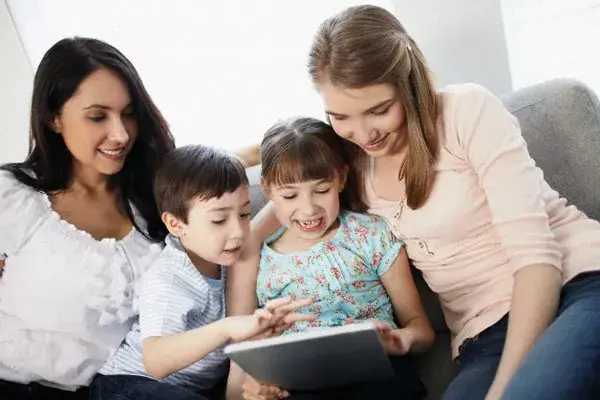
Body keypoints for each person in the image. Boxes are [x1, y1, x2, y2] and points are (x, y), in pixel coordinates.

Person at [229, 5, 600, 400]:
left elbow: (536, 259)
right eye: (340, 117)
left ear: (409, 83)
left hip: (572, 284)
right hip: (484, 332)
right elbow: (279, 203)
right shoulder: (351, 160)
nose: (363, 133)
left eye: (379, 110)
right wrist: (241, 160)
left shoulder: (466, 112)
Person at [0, 37, 260, 400]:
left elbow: (209, 180)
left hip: (115, 389)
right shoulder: (13, 196)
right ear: (53, 118)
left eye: (128, 113)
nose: (121, 134)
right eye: (97, 116)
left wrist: (280, 149)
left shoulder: (153, 201)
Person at [91, 145, 311, 400]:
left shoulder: (230, 259)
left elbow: (272, 212)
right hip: (128, 384)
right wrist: (227, 328)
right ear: (176, 224)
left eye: (243, 214)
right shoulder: (171, 277)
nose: (239, 232)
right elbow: (155, 361)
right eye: (218, 221)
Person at [245, 117, 433, 400]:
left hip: (379, 376)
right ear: (268, 190)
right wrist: (261, 385)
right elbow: (262, 347)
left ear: (342, 178)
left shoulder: (370, 234)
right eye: (290, 195)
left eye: (321, 190)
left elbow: (421, 329)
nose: (308, 209)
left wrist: (402, 340)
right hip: (304, 385)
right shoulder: (263, 260)